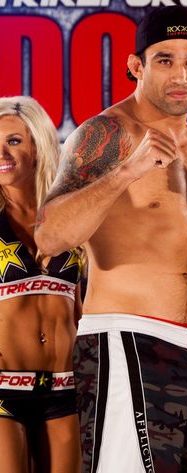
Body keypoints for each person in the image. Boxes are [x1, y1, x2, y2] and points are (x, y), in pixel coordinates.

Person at [34, 6, 187, 473]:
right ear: (136, 66)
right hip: (125, 341)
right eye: (164, 60)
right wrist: (127, 172)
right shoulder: (105, 133)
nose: (180, 74)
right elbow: (50, 236)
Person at [0, 96, 82, 472]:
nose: (2, 153)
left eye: (14, 141)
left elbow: (83, 306)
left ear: (38, 145)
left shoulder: (71, 213)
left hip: (64, 388)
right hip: (4, 391)